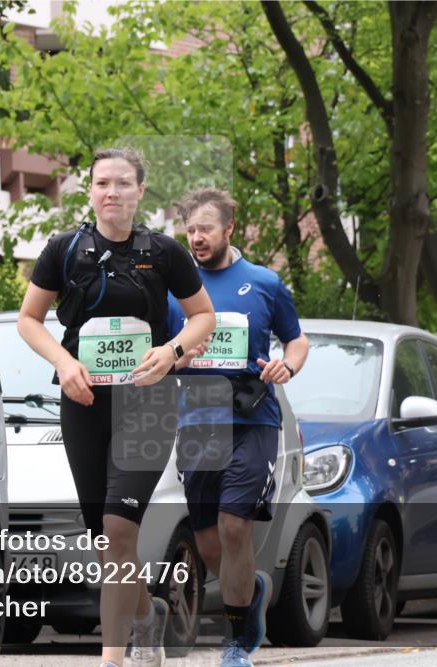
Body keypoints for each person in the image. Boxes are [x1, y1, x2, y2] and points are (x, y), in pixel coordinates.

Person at [17, 148, 216, 667]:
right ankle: (146, 614)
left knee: (119, 529)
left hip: (147, 402)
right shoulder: (63, 250)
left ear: (139, 191)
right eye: (102, 182)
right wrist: (63, 362)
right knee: (104, 540)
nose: (112, 192)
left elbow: (203, 316)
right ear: (90, 190)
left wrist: (171, 350)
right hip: (84, 403)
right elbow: (29, 320)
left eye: (123, 183)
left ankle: (111, 659)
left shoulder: (165, 252)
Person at [168, 188, 309, 667]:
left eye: (205, 229)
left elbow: (296, 340)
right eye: (190, 230)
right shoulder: (176, 289)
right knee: (209, 543)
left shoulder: (264, 282)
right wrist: (175, 356)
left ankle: (234, 644)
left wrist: (288, 366)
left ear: (229, 228)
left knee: (234, 527)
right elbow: (160, 348)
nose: (196, 237)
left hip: (252, 420)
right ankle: (251, 595)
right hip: (196, 421)